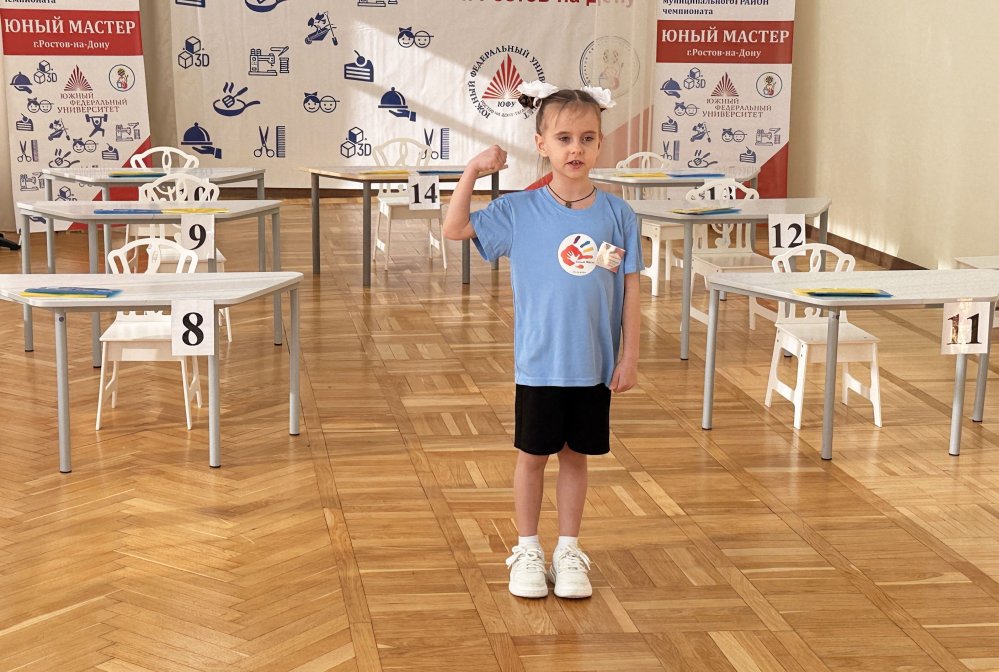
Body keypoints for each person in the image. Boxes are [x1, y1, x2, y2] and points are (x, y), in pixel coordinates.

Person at [443, 83, 642, 599]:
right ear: (542, 144)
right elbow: (455, 228)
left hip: (593, 364)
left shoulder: (619, 214)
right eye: (564, 138)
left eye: (587, 138)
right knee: (532, 457)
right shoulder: (520, 210)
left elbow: (630, 289)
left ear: (600, 144)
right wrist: (473, 170)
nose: (576, 149)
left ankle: (568, 550)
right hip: (538, 364)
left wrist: (630, 355)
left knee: (576, 457)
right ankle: (528, 548)